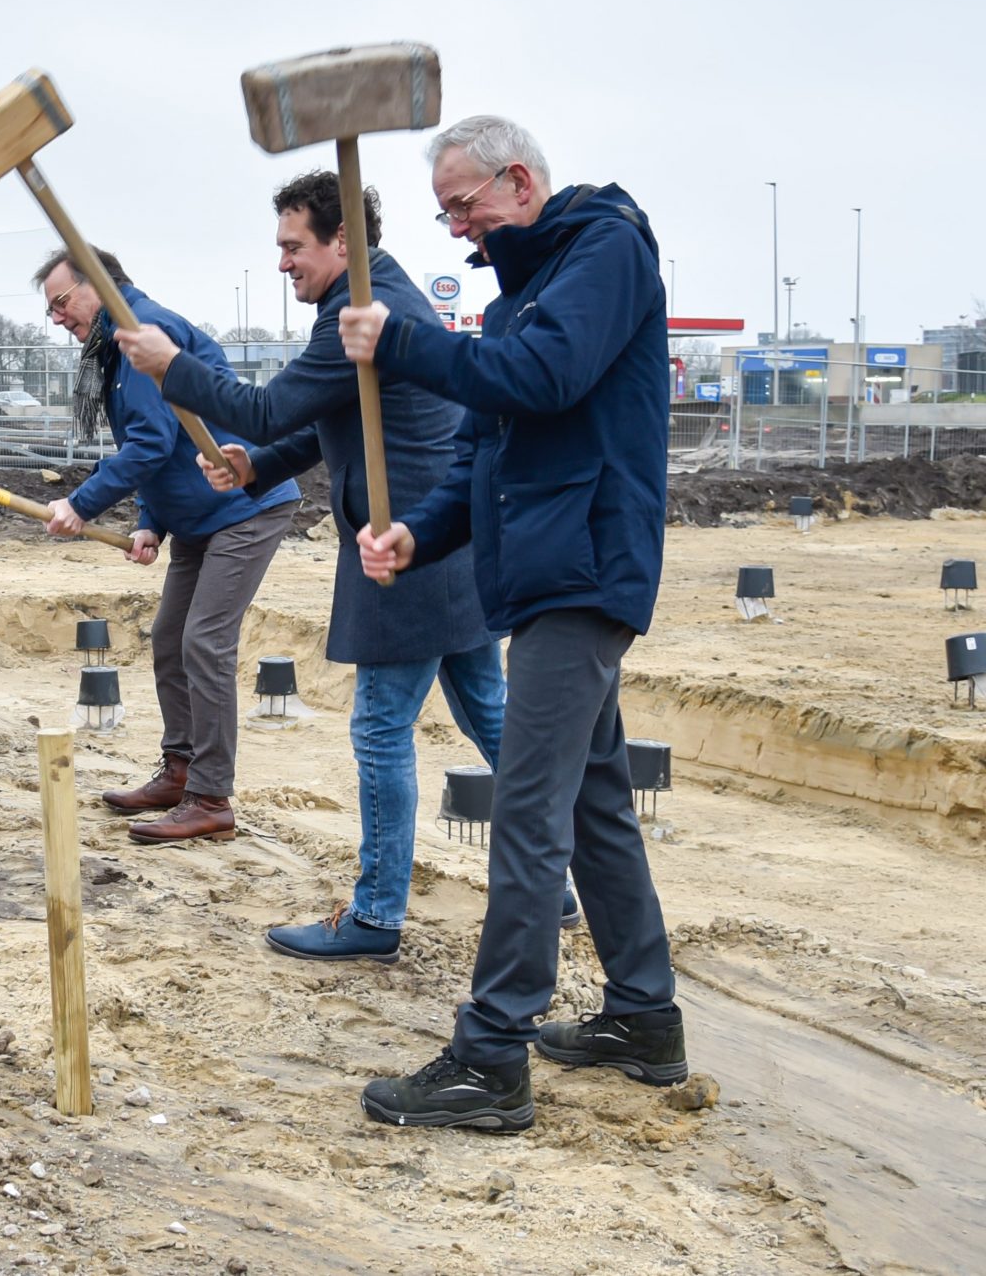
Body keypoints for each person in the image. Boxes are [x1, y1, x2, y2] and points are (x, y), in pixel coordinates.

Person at [341, 115, 681, 1132]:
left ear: (519, 181)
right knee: (589, 804)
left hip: (581, 572)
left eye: (463, 206)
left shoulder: (603, 249)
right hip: (547, 572)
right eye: (443, 212)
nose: (455, 229)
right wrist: (415, 535)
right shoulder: (519, 294)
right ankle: (641, 1016)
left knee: (526, 814)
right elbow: (487, 450)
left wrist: (400, 343)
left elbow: (547, 379)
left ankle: (491, 1055)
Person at [118, 173, 507, 953]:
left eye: (295, 247)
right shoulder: (361, 302)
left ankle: (376, 915)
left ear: (342, 243)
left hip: (407, 544)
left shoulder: (361, 309)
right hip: (446, 537)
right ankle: (564, 872)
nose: (284, 263)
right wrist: (258, 466)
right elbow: (331, 416)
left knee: (381, 730)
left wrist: (171, 368)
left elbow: (268, 405)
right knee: (496, 721)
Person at [36, 248, 297, 844]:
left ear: (97, 286)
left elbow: (149, 444)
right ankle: (181, 770)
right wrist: (150, 520)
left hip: (244, 507)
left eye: (60, 302)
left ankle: (211, 796)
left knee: (205, 640)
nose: (56, 318)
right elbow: (158, 441)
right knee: (169, 638)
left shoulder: (142, 333)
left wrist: (80, 504)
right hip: (195, 516)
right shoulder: (118, 347)